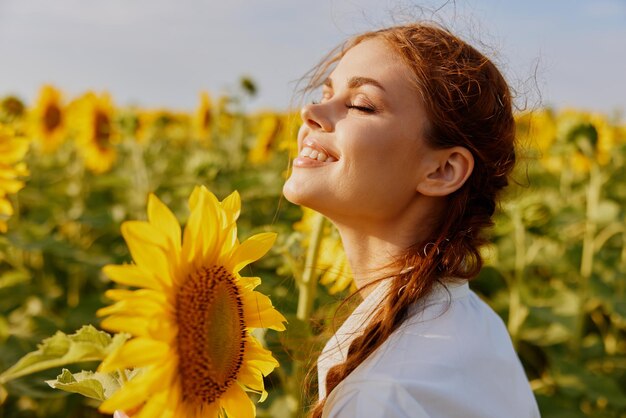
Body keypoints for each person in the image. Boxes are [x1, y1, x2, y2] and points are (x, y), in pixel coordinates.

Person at [282, 22, 541, 417]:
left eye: (361, 104)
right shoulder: (474, 323)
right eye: (327, 93)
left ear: (443, 171)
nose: (310, 112)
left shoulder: (378, 397)